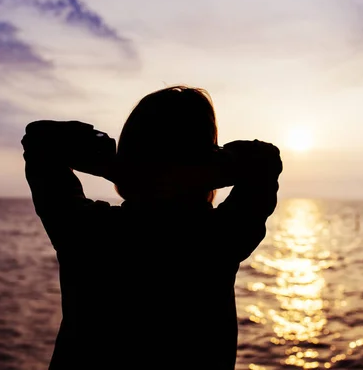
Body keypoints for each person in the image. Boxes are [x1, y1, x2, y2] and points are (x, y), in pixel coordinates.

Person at [22, 85, 283, 369]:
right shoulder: (218, 238)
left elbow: (40, 140)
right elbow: (264, 161)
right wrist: (192, 170)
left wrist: (120, 165)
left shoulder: (85, 230)